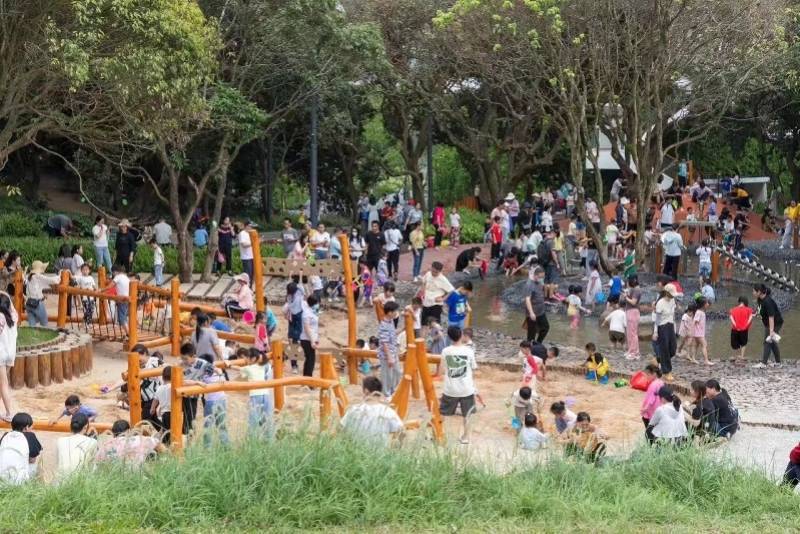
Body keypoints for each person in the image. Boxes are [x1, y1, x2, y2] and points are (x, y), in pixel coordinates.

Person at [439, 326, 477, 445]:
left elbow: (441, 370)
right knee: (467, 415)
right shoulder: (469, 351)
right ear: (461, 335)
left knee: (442, 413)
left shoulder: (445, 351)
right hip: (466, 389)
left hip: (450, 389)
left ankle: (440, 435)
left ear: (449, 337)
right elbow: (473, 367)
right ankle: (465, 437)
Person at [340, 376, 404, 447]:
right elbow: (401, 431)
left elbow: (340, 430)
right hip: (379, 453)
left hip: (354, 451)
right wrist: (394, 450)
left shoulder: (354, 410)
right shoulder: (388, 412)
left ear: (366, 391)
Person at [237, 348, 274, 437]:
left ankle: (252, 439)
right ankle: (268, 439)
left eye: (247, 358)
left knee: (253, 419)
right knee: (267, 418)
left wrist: (229, 364)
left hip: (255, 395)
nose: (245, 360)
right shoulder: (264, 365)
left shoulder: (250, 368)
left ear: (253, 358)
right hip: (266, 394)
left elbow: (239, 369)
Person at [95, 419, 163, 465]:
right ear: (129, 431)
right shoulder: (139, 440)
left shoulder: (105, 446)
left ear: (113, 433)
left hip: (114, 479)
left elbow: (97, 463)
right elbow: (160, 446)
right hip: (137, 477)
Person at [0, 412, 42, 484]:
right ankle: (35, 485)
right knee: (36, 464)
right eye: (31, 426)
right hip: (18, 481)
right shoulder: (30, 435)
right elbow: (32, 460)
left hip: (2, 477)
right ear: (26, 427)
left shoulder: (5, 435)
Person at [56, 413, 97, 480]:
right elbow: (92, 466)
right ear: (85, 427)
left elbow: (58, 463)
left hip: (60, 481)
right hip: (82, 481)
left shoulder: (60, 441)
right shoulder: (92, 442)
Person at [752, 283, 783, 369]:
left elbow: (771, 317)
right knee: (772, 343)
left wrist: (771, 331)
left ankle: (763, 363)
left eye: (754, 291)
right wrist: (755, 314)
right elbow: (760, 310)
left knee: (767, 342)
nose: (753, 293)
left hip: (775, 323)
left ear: (759, 292)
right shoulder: (759, 299)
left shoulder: (768, 301)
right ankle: (778, 363)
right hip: (768, 323)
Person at [653, 283, 679, 381]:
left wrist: (675, 329)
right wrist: (655, 332)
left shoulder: (672, 300)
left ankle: (659, 359)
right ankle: (667, 372)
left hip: (670, 326)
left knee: (673, 349)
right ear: (667, 292)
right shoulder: (660, 303)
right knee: (665, 350)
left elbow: (673, 316)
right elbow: (657, 319)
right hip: (662, 327)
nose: (673, 295)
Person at [25, 261, 60, 327]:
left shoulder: (29, 277)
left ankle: (32, 333)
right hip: (37, 304)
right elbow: (53, 280)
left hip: (28, 303)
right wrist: (60, 275)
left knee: (31, 325)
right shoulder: (38, 276)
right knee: (44, 323)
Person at [0, 292, 18, 420]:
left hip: (0, 354)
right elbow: (11, 304)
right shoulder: (13, 316)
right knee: (2, 383)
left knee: (3, 384)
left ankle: (9, 413)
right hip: (11, 354)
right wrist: (3, 293)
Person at [420, 261, 455, 326]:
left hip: (436, 304)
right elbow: (423, 282)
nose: (434, 273)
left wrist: (443, 299)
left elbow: (451, 290)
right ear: (431, 268)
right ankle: (424, 333)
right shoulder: (428, 274)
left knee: (435, 324)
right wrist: (422, 291)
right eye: (433, 271)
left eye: (436, 272)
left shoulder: (443, 279)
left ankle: (437, 332)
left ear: (440, 271)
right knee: (424, 323)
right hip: (426, 302)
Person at [377, 301, 400, 396]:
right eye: (395, 311)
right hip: (386, 355)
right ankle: (386, 394)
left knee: (397, 372)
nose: (396, 313)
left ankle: (393, 390)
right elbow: (384, 343)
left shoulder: (391, 322)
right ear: (390, 313)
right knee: (387, 375)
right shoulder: (384, 325)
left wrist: (404, 329)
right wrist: (389, 356)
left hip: (393, 351)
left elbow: (393, 333)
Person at [639, 364, 665, 440]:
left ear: (654, 374)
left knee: (649, 433)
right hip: (658, 410)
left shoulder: (653, 385)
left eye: (648, 375)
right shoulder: (661, 382)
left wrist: (645, 409)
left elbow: (651, 400)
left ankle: (651, 444)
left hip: (650, 412)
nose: (646, 377)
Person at [298, 294, 320, 378]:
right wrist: (312, 341)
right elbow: (307, 328)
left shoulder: (311, 311)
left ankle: (306, 379)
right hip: (307, 339)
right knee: (310, 360)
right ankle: (308, 379)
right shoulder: (306, 313)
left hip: (311, 338)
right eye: (317, 303)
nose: (318, 304)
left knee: (310, 359)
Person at [150, 367, 173, 444]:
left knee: (166, 432)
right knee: (172, 433)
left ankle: (164, 445)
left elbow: (155, 400)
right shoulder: (173, 386)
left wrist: (152, 408)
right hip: (173, 412)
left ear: (162, 377)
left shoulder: (159, 388)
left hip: (165, 414)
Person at [729, 296, 754, 363]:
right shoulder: (749, 310)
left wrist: (736, 326)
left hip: (735, 329)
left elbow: (731, 318)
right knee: (743, 343)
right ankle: (742, 356)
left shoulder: (733, 309)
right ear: (745, 302)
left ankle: (736, 356)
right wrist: (745, 327)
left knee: (735, 343)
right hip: (744, 329)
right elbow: (750, 319)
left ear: (739, 302)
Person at [623, 275, 642, 360]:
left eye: (628, 281)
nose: (627, 283)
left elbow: (633, 302)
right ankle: (631, 350)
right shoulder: (634, 289)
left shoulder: (637, 290)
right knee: (629, 333)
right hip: (630, 311)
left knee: (633, 334)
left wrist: (626, 297)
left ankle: (635, 353)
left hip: (633, 312)